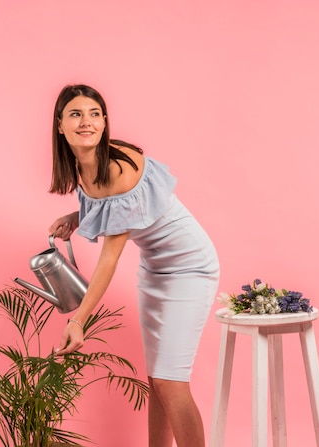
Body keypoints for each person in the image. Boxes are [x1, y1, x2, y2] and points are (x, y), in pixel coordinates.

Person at [47, 84, 220, 447]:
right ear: (60, 125)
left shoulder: (117, 165)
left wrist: (78, 321)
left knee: (171, 381)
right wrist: (78, 215)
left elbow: (111, 254)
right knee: (157, 379)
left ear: (105, 121)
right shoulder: (83, 166)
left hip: (189, 268)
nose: (87, 122)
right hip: (155, 268)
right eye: (76, 114)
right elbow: (121, 210)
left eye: (95, 114)